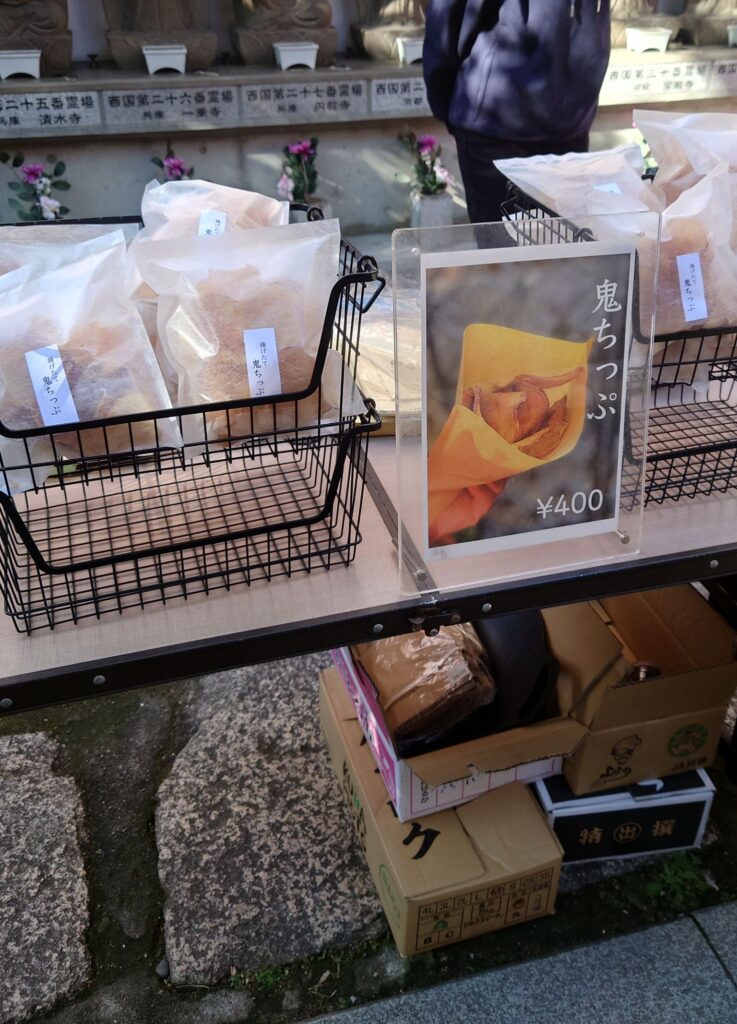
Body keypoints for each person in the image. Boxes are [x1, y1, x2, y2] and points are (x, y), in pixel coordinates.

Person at [423, 0, 612, 223]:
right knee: (530, 240)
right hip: (501, 125)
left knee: (548, 240)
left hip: (547, 123)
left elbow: (445, 23)